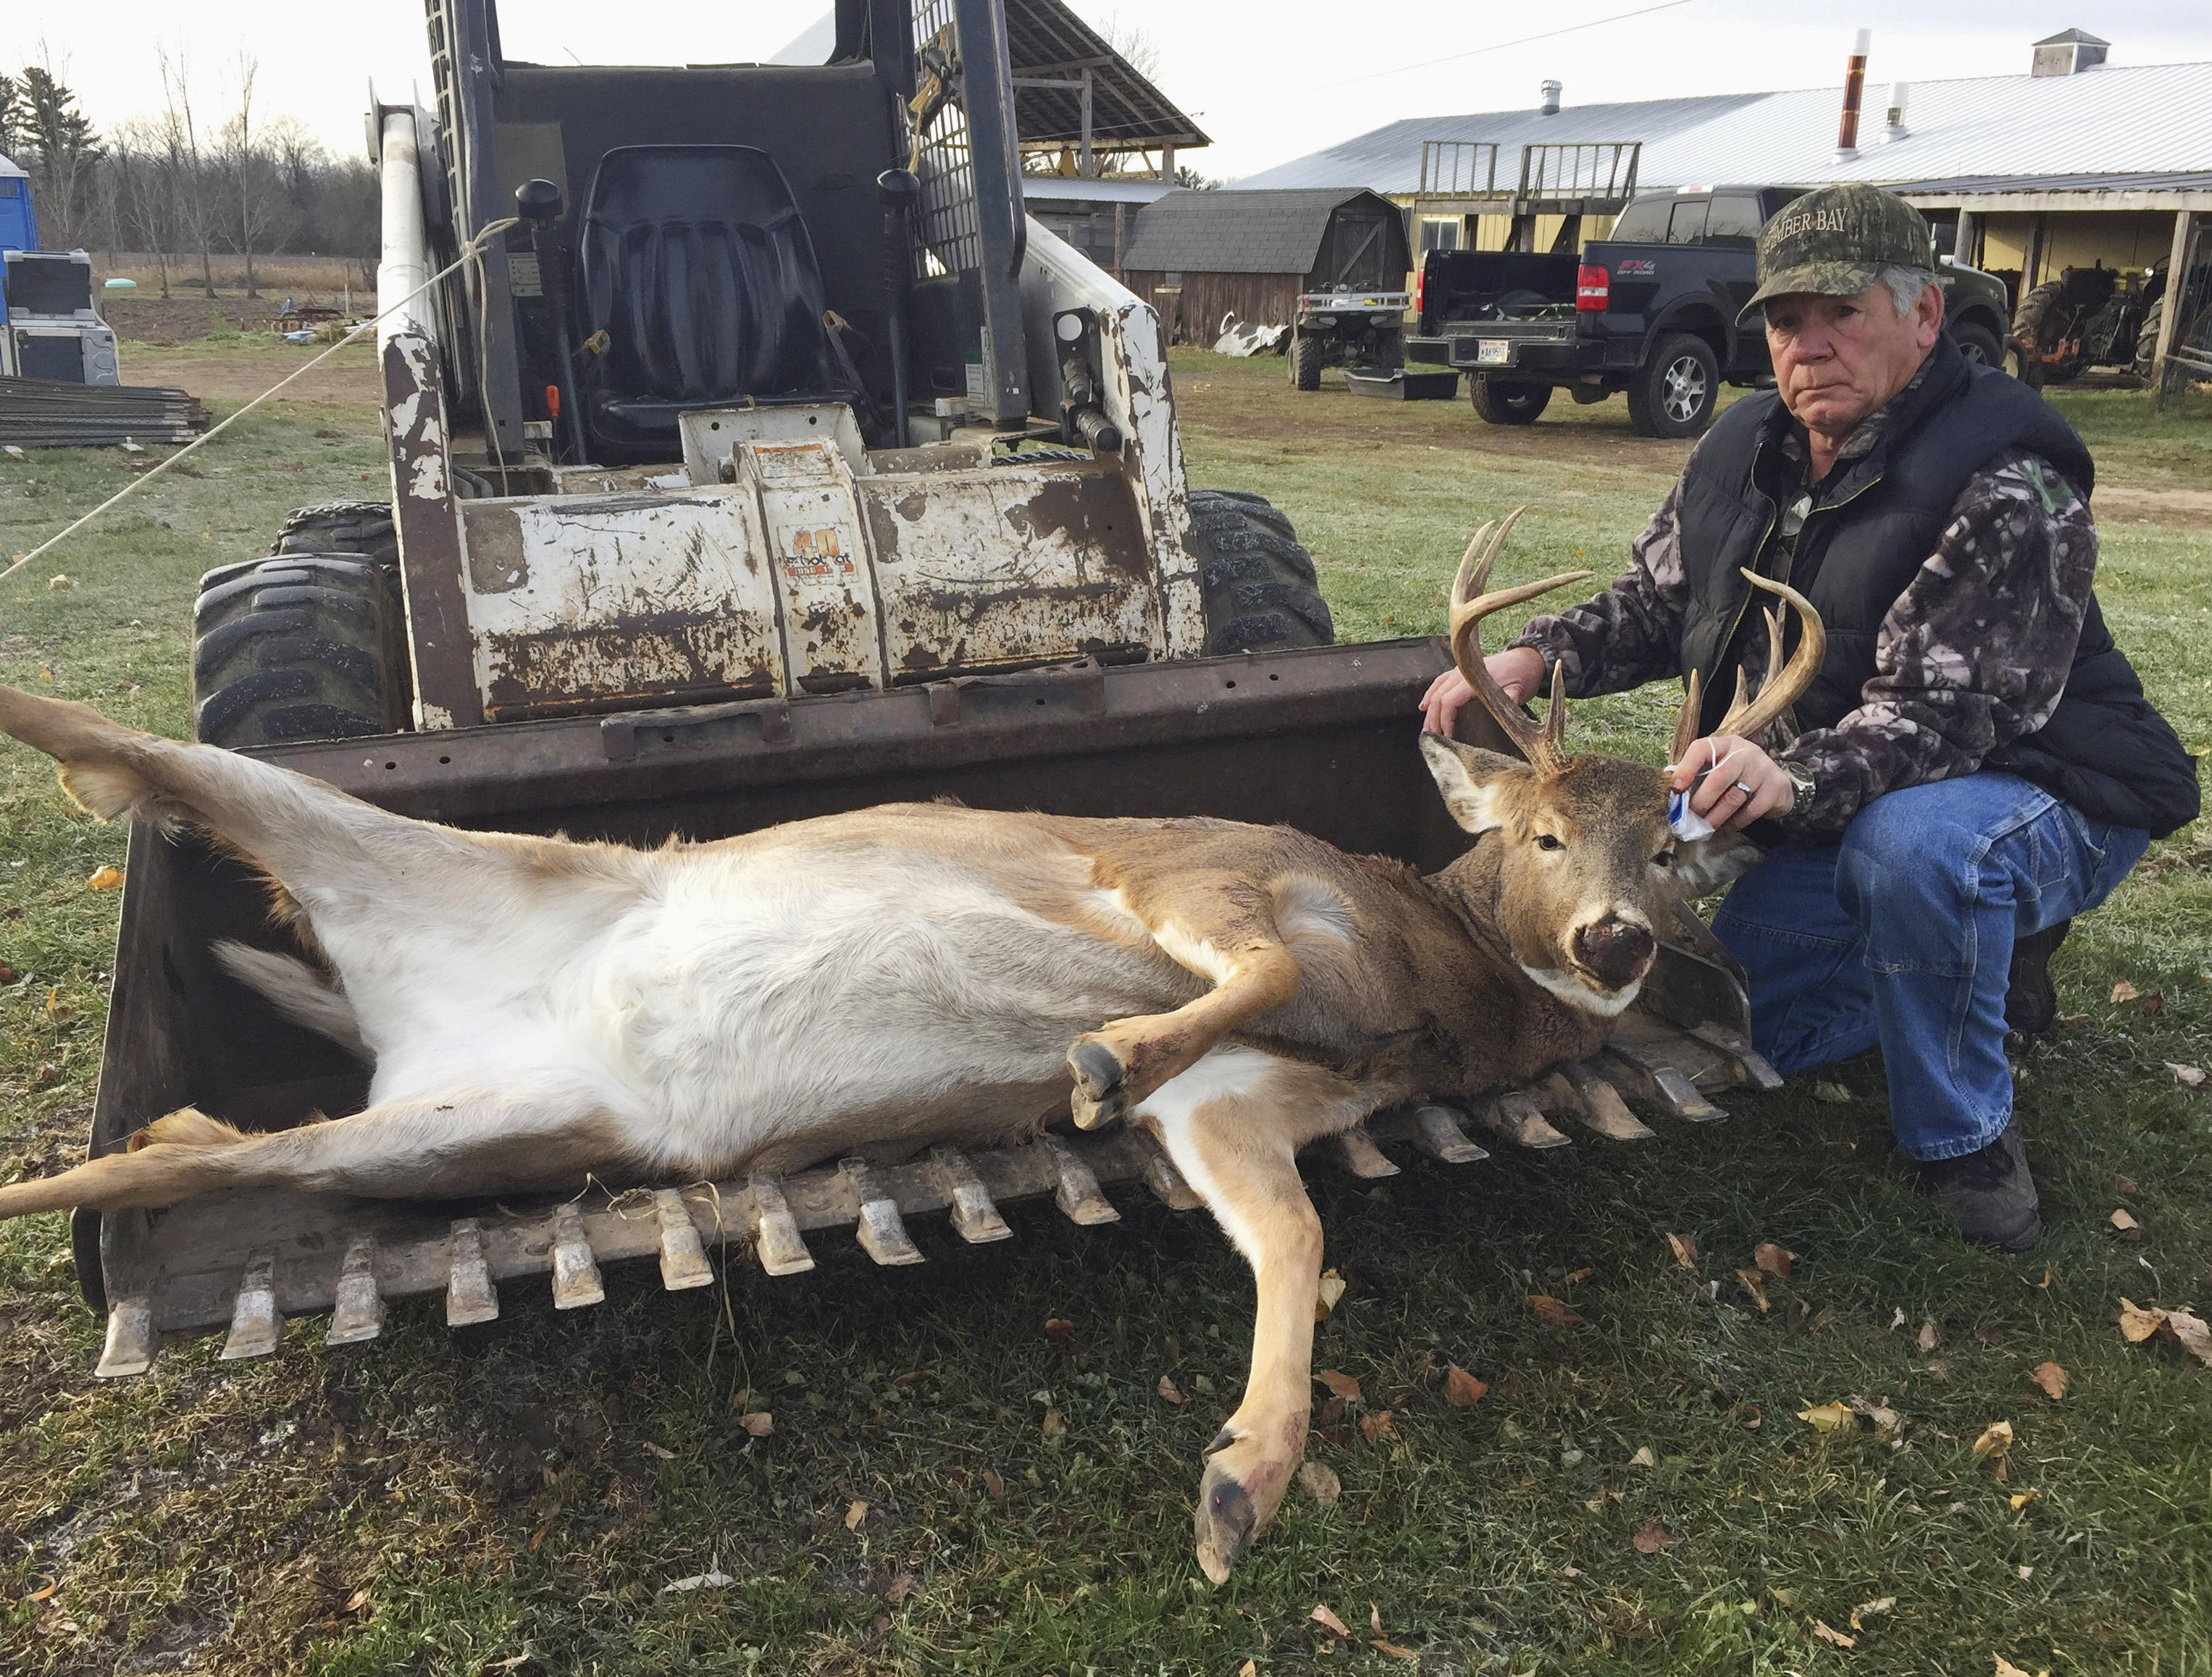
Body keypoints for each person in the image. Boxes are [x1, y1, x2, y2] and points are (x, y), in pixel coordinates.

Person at [1420, 184, 2199, 1251]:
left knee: (1915, 853)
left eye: (1844, 313)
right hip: (1840, 801)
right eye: (1787, 322)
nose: (1810, 346)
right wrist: (1534, 652)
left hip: (2043, 790)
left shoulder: (2007, 482)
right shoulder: (1743, 448)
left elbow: (1944, 715)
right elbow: (1661, 601)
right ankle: (1972, 964)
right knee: (1726, 1022)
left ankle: (1962, 1135)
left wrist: (1792, 781)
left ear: (1924, 317)